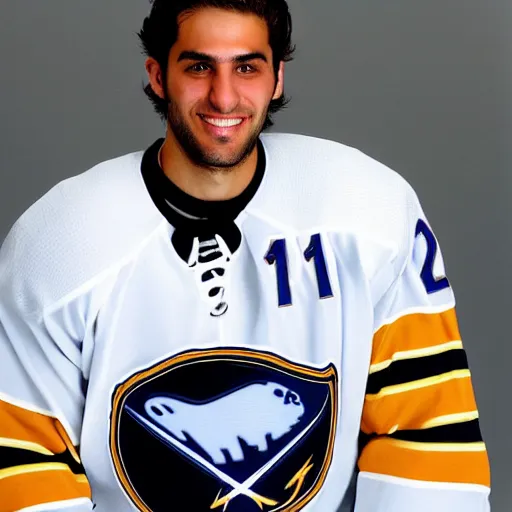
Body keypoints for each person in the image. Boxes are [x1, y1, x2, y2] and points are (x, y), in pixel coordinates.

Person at [0, 0, 491, 511]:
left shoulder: (368, 213)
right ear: (157, 75)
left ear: (277, 77)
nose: (224, 95)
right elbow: (22, 460)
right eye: (198, 66)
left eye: (247, 67)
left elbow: (427, 443)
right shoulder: (59, 241)